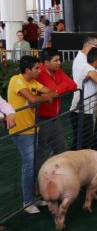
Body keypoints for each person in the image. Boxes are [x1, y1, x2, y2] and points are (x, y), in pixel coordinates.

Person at [7, 55, 59, 213]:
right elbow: (32, 98)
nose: (39, 71)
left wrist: (41, 97)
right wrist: (43, 98)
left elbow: (53, 92)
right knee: (29, 165)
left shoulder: (32, 82)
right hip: (21, 130)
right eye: (36, 68)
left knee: (35, 163)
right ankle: (27, 201)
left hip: (33, 128)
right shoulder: (17, 80)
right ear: (28, 69)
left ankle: (34, 197)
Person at [36, 48, 78, 155]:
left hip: (55, 118)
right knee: (38, 152)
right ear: (46, 62)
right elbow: (53, 92)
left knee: (61, 150)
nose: (59, 63)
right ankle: (38, 172)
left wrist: (58, 88)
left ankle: (54, 171)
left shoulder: (57, 70)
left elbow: (73, 85)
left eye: (59, 60)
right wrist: (63, 85)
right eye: (56, 60)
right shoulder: (40, 73)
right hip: (42, 120)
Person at [71, 48, 97, 149]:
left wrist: (95, 74)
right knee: (82, 140)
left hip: (88, 107)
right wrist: (94, 74)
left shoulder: (92, 69)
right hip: (83, 109)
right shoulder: (88, 68)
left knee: (86, 138)